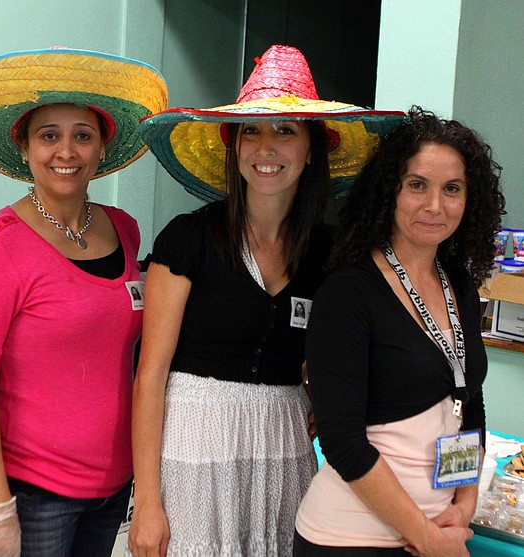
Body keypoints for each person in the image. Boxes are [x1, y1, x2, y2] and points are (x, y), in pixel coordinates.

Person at [130, 45, 408, 556]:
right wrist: (146, 500)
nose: (266, 147)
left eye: (285, 131)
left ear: (311, 149)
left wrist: (323, 395)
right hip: (196, 442)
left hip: (282, 447)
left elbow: (335, 351)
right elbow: (150, 376)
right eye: (251, 131)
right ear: (233, 146)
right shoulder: (188, 239)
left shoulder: (328, 253)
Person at [0, 48, 167, 557]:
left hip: (112, 488)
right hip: (31, 493)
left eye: (82, 135)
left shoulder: (124, 228)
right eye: (49, 135)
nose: (65, 151)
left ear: (101, 149)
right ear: (23, 148)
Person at [293, 107, 505, 557]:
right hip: (352, 538)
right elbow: (342, 441)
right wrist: (430, 540)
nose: (435, 205)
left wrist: (463, 505)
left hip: (433, 529)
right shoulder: (349, 292)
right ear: (389, 191)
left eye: (452, 189)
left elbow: (471, 402)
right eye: (417, 185)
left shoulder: (458, 285)